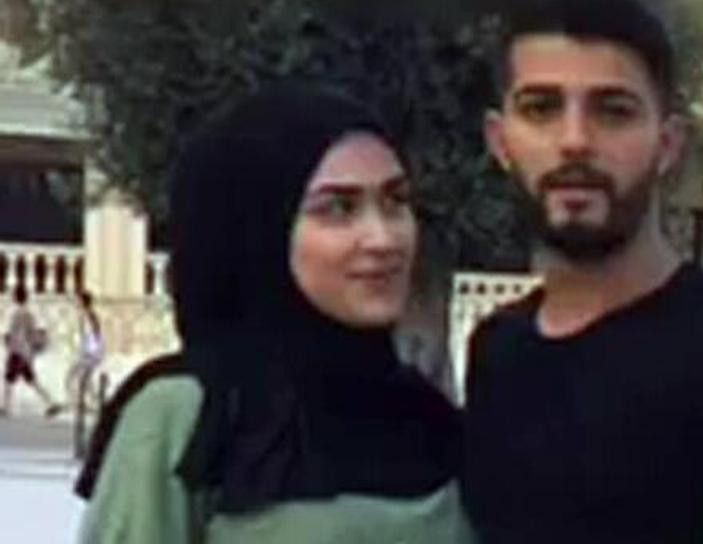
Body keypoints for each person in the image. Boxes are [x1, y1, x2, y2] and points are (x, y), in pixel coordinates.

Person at [461, 0, 703, 544]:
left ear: (667, 144)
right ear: (499, 141)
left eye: (613, 111)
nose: (574, 140)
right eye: (541, 108)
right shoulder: (498, 349)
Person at [79, 85, 470, 544]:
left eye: (395, 201)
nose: (383, 239)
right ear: (259, 230)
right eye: (338, 208)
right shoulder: (189, 416)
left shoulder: (428, 416)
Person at [2, 285, 61, 418]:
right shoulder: (28, 313)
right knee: (31, 380)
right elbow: (32, 333)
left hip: (17, 351)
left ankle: (6, 408)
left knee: (9, 378)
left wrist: (9, 342)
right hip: (24, 352)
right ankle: (51, 402)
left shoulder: (17, 313)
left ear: (16, 297)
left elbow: (14, 333)